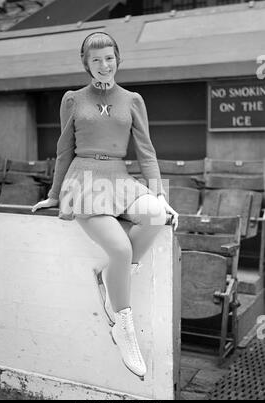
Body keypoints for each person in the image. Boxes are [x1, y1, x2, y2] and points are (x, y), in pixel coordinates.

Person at [32, 32, 178, 380]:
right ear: (86, 63)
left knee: (157, 216)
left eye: (109, 58)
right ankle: (123, 327)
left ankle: (110, 276)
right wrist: (54, 195)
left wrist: (159, 194)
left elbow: (147, 151)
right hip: (84, 179)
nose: (103, 65)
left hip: (120, 176)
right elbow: (64, 148)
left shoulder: (133, 100)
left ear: (118, 59)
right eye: (95, 60)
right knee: (119, 249)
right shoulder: (72, 99)